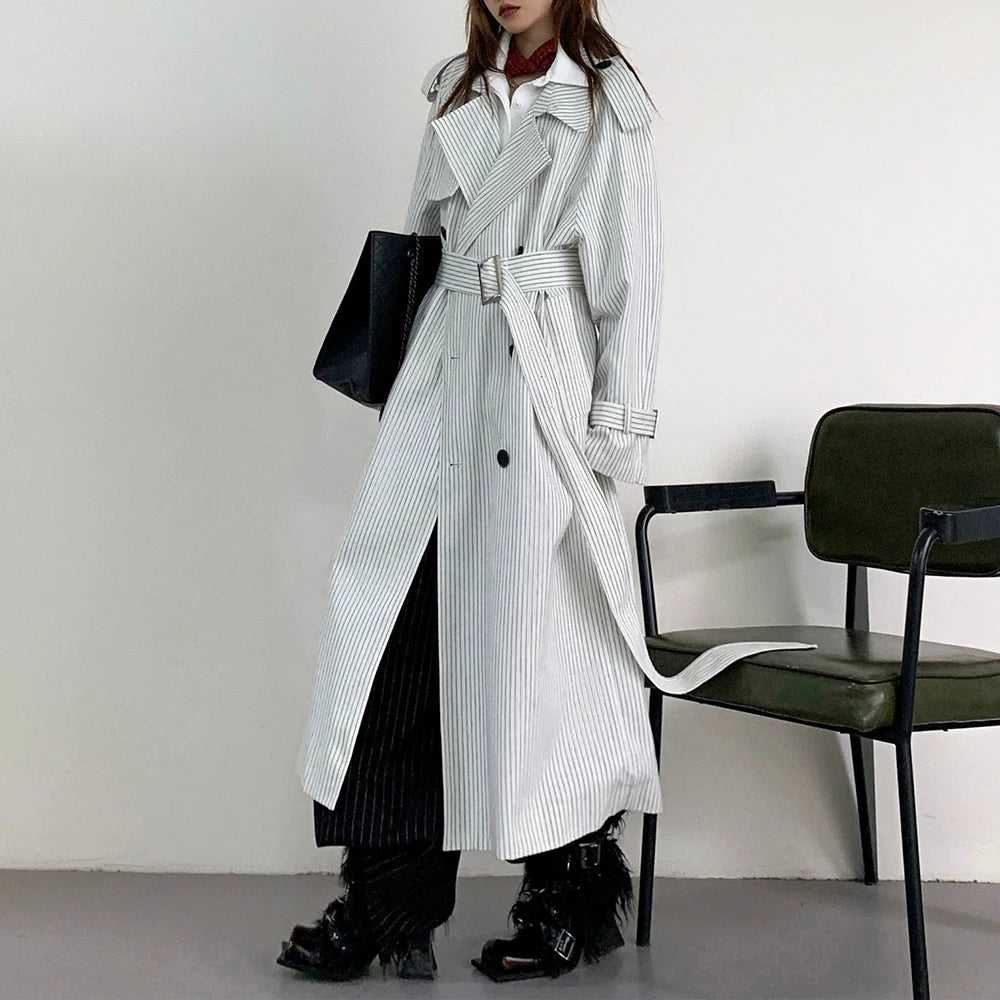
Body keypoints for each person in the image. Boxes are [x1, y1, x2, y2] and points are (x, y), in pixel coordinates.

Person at [278, 0, 667, 983]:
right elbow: (420, 241)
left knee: (545, 660)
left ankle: (570, 896)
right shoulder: (452, 92)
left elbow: (632, 283)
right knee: (393, 641)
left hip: (539, 397)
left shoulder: (609, 109)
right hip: (442, 382)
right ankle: (385, 900)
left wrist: (613, 433)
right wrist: (402, 391)